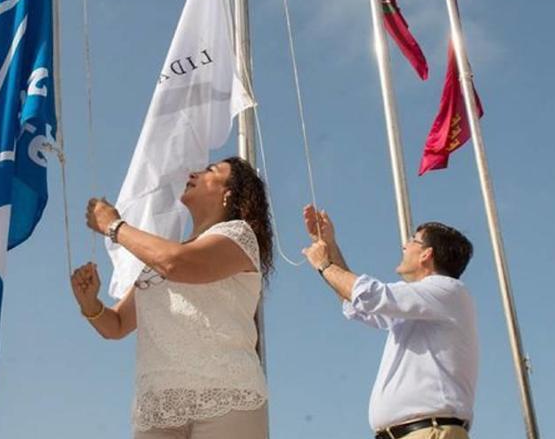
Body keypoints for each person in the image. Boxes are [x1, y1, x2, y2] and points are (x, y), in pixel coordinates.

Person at [70, 156, 273, 439]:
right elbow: (115, 325)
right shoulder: (161, 256)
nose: (195, 172)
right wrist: (90, 303)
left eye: (210, 171)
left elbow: (176, 263)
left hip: (226, 399)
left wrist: (114, 226)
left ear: (228, 193)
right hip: (157, 409)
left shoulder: (239, 236)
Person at [301, 205, 478, 439]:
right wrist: (330, 245)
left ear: (427, 254)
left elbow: (369, 295)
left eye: (413, 240)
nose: (405, 245)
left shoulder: (447, 290)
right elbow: (356, 299)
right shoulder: (421, 302)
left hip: (429, 433)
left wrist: (325, 265)